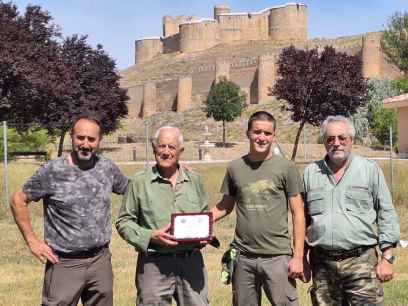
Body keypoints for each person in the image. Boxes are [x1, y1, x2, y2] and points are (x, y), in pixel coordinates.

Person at [10, 116, 129, 306]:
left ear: (99, 141)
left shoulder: (107, 168)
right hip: (64, 263)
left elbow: (133, 190)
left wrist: (171, 173)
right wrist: (32, 240)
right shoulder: (53, 170)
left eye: (91, 139)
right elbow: (18, 199)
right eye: (80, 137)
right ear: (71, 137)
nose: (85, 144)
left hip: (100, 262)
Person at [211, 111, 307, 306]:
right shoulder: (235, 168)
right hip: (244, 258)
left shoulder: (286, 168)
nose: (262, 137)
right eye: (257, 132)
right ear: (248, 133)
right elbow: (224, 206)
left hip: (278, 258)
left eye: (267, 133)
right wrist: (195, 220)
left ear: (274, 136)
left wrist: (298, 257)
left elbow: (298, 214)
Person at [303, 115, 400, 306]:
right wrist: (301, 258)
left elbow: (386, 213)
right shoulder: (310, 173)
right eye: (330, 139)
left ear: (351, 140)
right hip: (323, 265)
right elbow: (302, 221)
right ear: (324, 142)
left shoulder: (369, 170)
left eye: (342, 138)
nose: (336, 143)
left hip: (361, 263)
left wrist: (387, 258)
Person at [115, 126, 210, 306]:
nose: (166, 152)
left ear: (180, 151)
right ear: (154, 148)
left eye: (172, 147)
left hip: (191, 262)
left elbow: (204, 214)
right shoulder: (139, 182)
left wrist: (205, 235)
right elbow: (124, 222)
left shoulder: (194, 180)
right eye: (162, 146)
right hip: (154, 263)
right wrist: (150, 236)